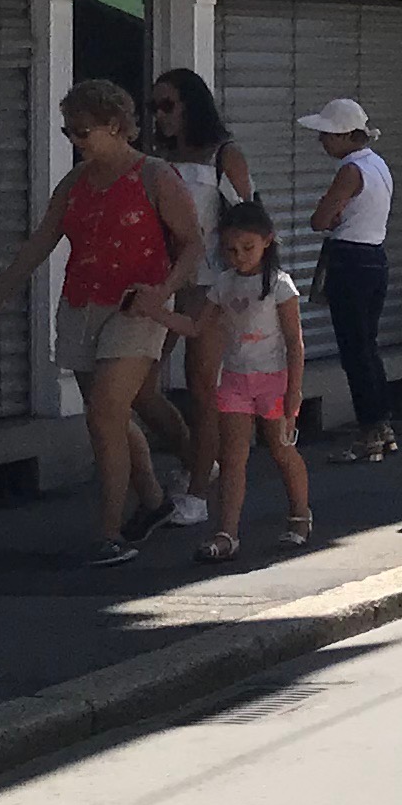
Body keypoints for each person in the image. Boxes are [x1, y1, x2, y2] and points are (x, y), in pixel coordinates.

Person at [0, 79, 202, 567]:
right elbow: (41, 242)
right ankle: (152, 501)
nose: (76, 141)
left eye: (82, 131)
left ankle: (108, 532)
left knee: (105, 411)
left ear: (115, 126)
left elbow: (192, 241)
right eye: (68, 132)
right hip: (83, 302)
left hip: (136, 305)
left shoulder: (154, 175)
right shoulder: (77, 182)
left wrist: (163, 289)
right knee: (108, 413)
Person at [137, 69, 251, 537]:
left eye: (168, 105)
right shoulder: (154, 158)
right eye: (154, 108)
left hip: (209, 283)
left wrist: (243, 280)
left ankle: (198, 493)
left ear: (191, 106)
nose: (160, 116)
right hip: (159, 280)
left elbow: (249, 216)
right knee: (141, 385)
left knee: (202, 386)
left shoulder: (223, 155)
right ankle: (195, 459)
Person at [186, 200, 310, 565]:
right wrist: (154, 312)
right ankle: (227, 532)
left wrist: (294, 390)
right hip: (236, 380)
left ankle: (300, 516)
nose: (238, 256)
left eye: (247, 248)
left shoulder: (280, 285)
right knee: (233, 457)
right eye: (230, 249)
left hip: (274, 380)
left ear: (267, 241)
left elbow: (294, 342)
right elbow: (196, 327)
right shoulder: (223, 284)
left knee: (281, 449)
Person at [297, 98, 399, 462]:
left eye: (326, 135)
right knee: (367, 346)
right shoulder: (378, 166)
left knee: (354, 351)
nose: (322, 142)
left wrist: (331, 214)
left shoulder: (350, 171)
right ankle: (382, 425)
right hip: (375, 257)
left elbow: (320, 220)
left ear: (343, 135)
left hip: (349, 261)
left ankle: (369, 431)